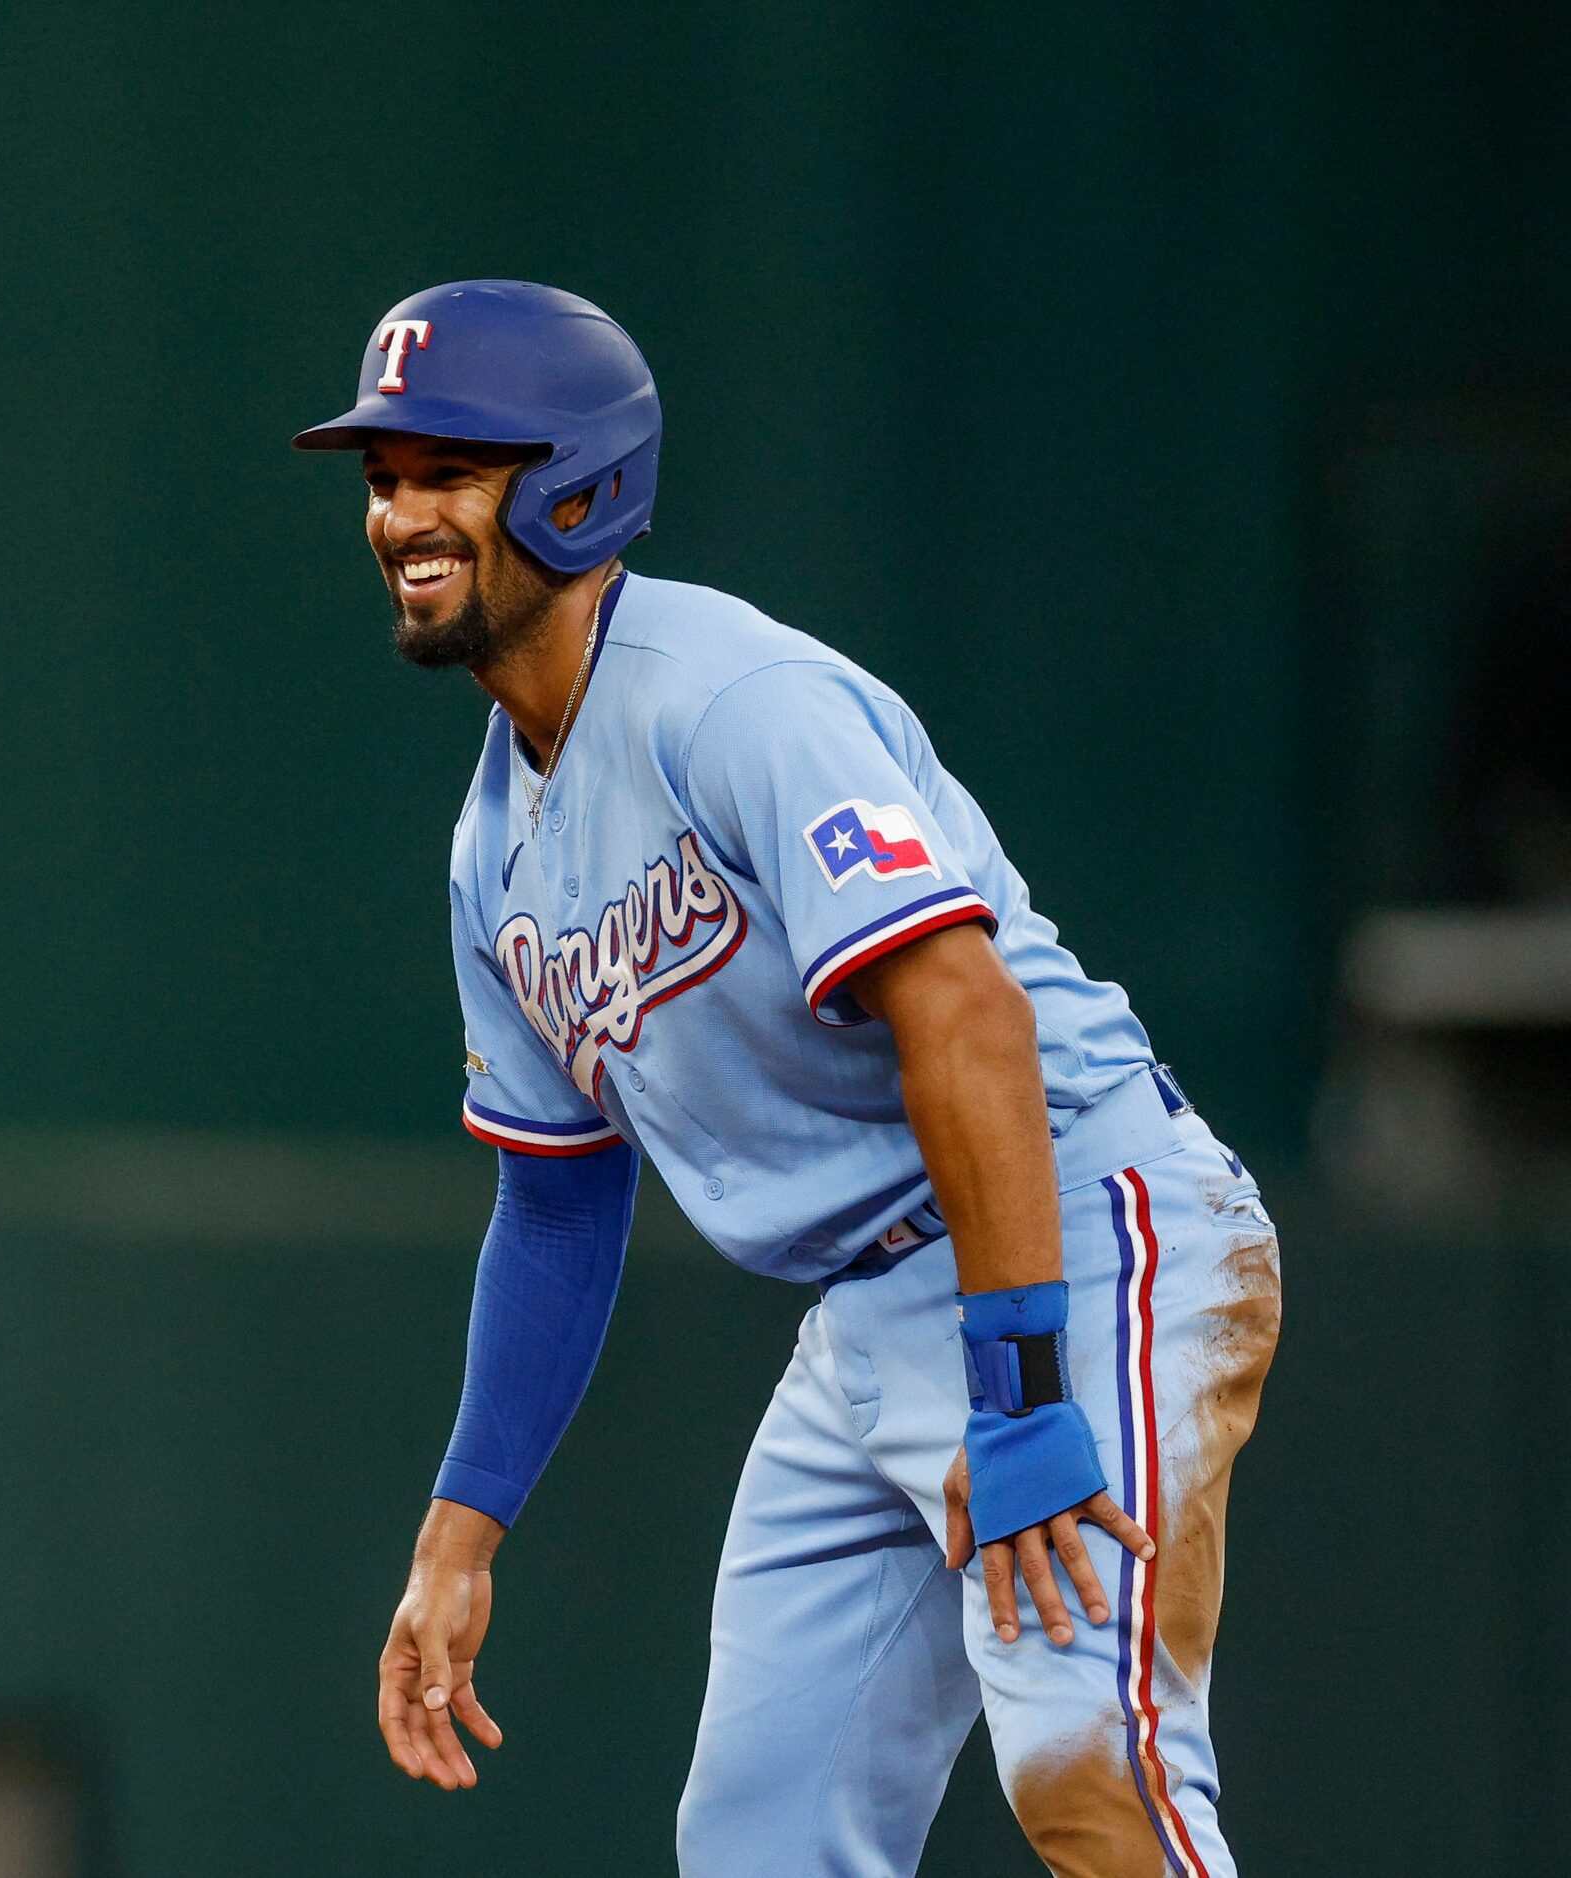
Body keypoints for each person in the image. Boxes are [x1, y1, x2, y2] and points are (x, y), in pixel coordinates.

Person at [296, 280, 1279, 1875]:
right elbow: (555, 1205)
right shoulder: (492, 850)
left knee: (1090, 1758)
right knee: (758, 1836)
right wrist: (457, 1534)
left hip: (1082, 1223)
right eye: (382, 475)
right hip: (870, 1312)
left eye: (446, 468)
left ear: (574, 481)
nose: (400, 511)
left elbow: (968, 1018)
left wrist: (1021, 1378)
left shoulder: (729, 699)